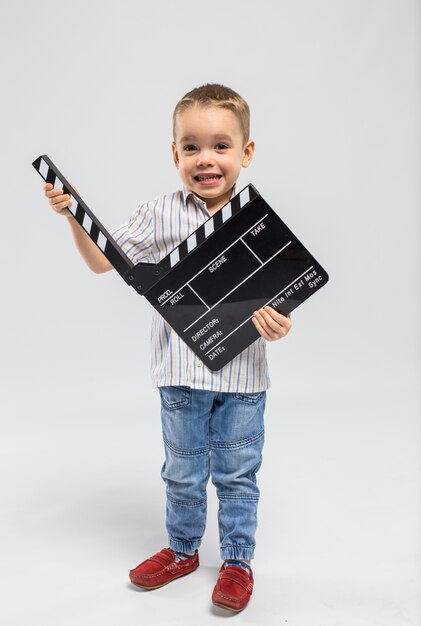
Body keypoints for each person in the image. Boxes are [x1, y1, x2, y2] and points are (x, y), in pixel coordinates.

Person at [43, 83, 292, 612]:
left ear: (246, 153)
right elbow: (101, 260)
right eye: (192, 146)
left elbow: (279, 299)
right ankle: (181, 551)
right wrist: (73, 214)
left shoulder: (258, 221)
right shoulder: (160, 214)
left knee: (237, 473)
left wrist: (277, 323)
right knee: (181, 470)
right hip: (180, 375)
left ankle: (237, 561)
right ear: (174, 153)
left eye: (221, 145)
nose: (207, 159)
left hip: (244, 380)